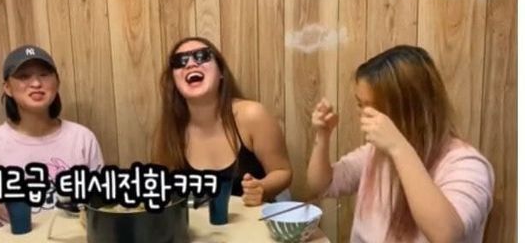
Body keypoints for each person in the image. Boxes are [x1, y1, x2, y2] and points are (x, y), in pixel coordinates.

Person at [307, 45, 494, 242]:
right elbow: (321, 185)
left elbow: (445, 235)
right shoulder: (375, 153)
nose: (363, 115)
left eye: (373, 108)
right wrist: (323, 136)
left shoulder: (467, 165)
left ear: (412, 109)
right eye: (360, 105)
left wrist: (399, 148)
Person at [0, 45, 103, 235]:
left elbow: (101, 204)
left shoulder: (82, 138)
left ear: (57, 83)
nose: (36, 83)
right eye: (23, 76)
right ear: (7, 88)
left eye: (44, 74)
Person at [153, 37, 292, 205]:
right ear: (174, 82)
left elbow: (282, 171)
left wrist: (262, 188)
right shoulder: (170, 130)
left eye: (202, 56)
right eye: (180, 61)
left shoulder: (252, 115)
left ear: (221, 73)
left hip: (257, 218)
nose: (190, 64)